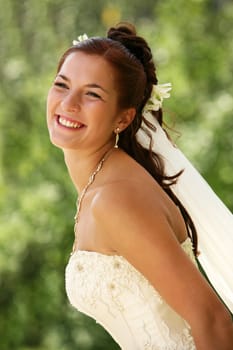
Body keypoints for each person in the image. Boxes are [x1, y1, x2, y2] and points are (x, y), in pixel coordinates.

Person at [46, 22, 233, 349]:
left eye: (92, 94)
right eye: (62, 85)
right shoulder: (102, 182)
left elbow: (213, 320)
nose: (69, 103)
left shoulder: (114, 198)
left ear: (123, 118)